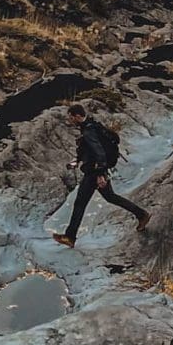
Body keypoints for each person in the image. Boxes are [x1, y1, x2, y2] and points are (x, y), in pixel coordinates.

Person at [51, 103, 149, 246]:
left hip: (93, 173)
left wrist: (100, 174)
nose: (70, 120)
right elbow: (90, 151)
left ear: (77, 116)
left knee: (80, 203)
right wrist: (78, 160)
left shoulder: (89, 131)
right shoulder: (91, 126)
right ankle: (141, 215)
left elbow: (99, 153)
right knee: (110, 197)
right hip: (95, 171)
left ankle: (70, 237)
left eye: (71, 117)